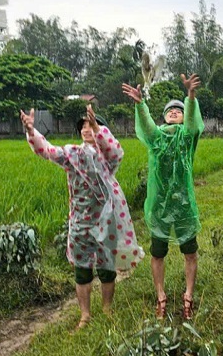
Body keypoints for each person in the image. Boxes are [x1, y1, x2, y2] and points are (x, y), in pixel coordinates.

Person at [20, 105, 144, 330]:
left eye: (92, 125)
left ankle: (107, 309)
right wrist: (31, 131)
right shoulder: (73, 154)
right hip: (80, 219)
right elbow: (47, 151)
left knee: (107, 268)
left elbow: (116, 152)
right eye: (84, 126)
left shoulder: (107, 157)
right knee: (82, 269)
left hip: (105, 220)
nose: (87, 129)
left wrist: (99, 128)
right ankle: (85, 315)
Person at [122, 75, 203, 320]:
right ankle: (161, 296)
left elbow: (192, 124)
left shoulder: (187, 138)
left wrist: (190, 97)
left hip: (184, 206)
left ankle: (188, 296)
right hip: (159, 206)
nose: (175, 112)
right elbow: (145, 126)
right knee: (158, 252)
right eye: (171, 110)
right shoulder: (157, 138)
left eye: (179, 110)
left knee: (190, 252)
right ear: (164, 116)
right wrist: (139, 104)